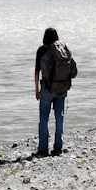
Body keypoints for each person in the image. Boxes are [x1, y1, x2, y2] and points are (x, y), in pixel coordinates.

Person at [34, 26, 77, 157]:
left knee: (44, 119)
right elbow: (73, 72)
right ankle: (58, 148)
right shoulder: (63, 50)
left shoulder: (42, 50)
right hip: (62, 88)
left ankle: (43, 149)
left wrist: (37, 90)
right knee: (60, 118)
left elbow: (37, 72)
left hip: (47, 88)